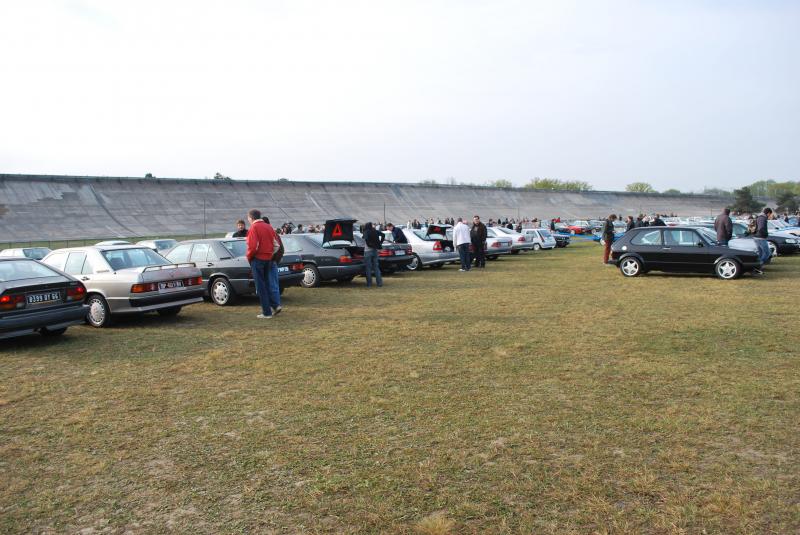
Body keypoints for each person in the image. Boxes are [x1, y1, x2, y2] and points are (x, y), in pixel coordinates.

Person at [245, 209, 281, 319]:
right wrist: (269, 254)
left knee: (260, 286)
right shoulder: (268, 227)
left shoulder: (253, 228)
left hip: (258, 259)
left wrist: (249, 257)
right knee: (267, 284)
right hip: (268, 259)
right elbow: (277, 245)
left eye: (248, 219)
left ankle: (267, 313)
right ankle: (275, 305)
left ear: (251, 218)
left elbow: (253, 246)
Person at [362, 222, 383, 288]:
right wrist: (380, 243)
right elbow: (383, 235)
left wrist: (369, 244)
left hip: (368, 251)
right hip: (375, 251)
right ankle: (379, 284)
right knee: (376, 268)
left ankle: (369, 284)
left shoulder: (366, 232)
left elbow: (366, 240)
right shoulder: (374, 231)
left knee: (368, 268)